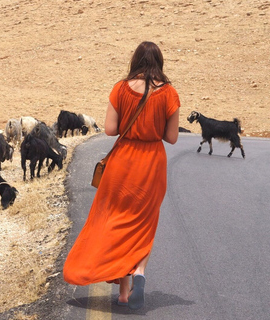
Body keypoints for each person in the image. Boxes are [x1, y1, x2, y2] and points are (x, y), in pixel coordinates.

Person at [63, 41, 180, 310]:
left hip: (122, 163)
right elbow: (172, 138)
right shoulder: (170, 93)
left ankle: (124, 293)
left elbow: (109, 129)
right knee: (142, 225)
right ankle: (138, 272)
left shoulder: (120, 88)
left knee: (115, 221)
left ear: (135, 61)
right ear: (159, 63)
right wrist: (153, 124)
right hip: (151, 165)